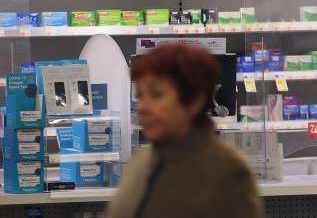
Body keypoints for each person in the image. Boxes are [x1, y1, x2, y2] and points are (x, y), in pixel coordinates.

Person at [107, 44, 262, 218]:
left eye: (156, 94)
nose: (142, 108)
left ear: (194, 100)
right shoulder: (138, 163)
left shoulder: (227, 172)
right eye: (141, 96)